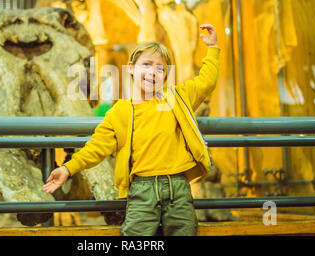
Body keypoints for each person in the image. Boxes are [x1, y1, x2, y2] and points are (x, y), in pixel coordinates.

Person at [43, 24, 220, 236]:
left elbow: (207, 81)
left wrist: (212, 48)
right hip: (141, 190)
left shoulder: (177, 98)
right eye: (146, 64)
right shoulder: (121, 112)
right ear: (131, 68)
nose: (153, 72)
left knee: (185, 231)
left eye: (160, 68)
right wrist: (68, 169)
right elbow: (96, 147)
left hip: (178, 187)